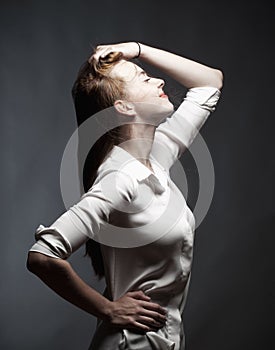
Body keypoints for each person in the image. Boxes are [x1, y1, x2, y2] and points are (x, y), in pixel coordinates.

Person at [27, 41, 223, 350]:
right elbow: (43, 256)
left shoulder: (158, 154)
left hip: (165, 340)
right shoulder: (120, 178)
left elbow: (209, 83)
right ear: (124, 107)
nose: (159, 80)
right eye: (144, 78)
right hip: (129, 344)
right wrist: (108, 310)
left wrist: (137, 49)